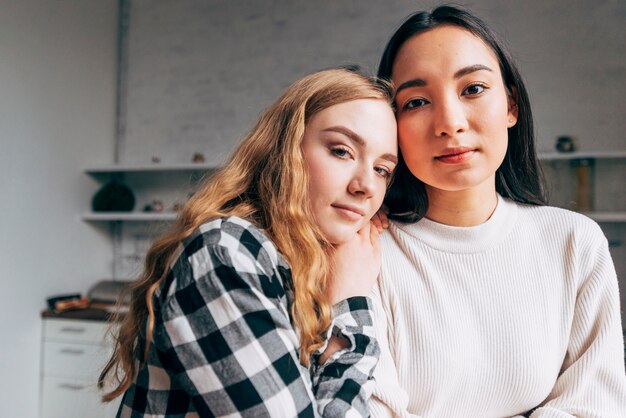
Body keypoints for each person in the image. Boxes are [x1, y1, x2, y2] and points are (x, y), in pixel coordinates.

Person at [368, 5, 626, 418]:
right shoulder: (363, 252)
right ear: (391, 124)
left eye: (472, 89)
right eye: (416, 101)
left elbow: (594, 406)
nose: (449, 123)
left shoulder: (573, 243)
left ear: (511, 105)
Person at [97, 67, 398, 417]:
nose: (366, 186)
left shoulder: (302, 264)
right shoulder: (225, 255)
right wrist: (348, 310)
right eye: (342, 151)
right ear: (286, 149)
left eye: (382, 169)